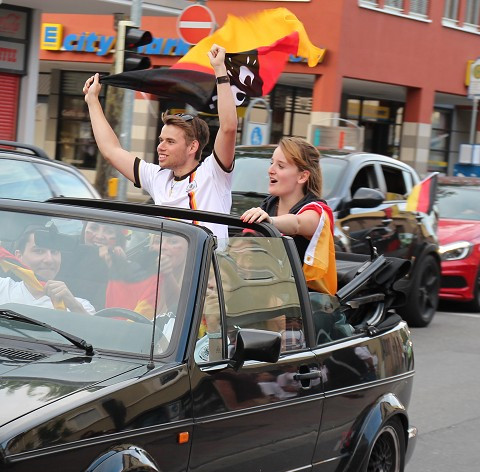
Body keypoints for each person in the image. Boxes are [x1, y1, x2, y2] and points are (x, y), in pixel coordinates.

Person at [83, 43, 237, 246]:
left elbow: (228, 128)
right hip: (168, 274)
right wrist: (92, 100)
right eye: (160, 140)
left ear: (192, 147)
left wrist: (220, 71)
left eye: (170, 142)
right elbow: (112, 151)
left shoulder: (213, 174)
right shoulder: (158, 178)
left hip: (209, 274)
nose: (160, 147)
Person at [238, 137, 336, 292]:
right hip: (266, 294)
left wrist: (270, 221)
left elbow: (297, 224)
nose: (271, 170)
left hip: (306, 303)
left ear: (302, 176)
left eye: (281, 166)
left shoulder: (317, 210)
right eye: (272, 163)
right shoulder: (268, 204)